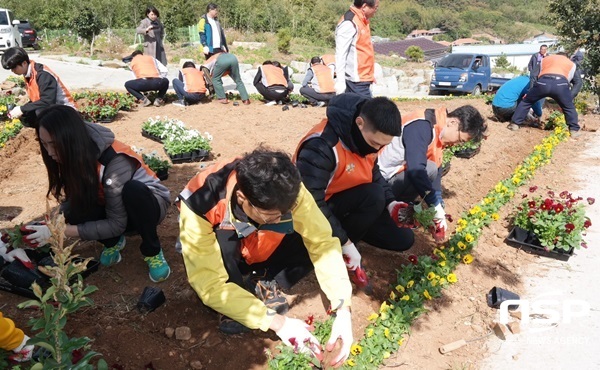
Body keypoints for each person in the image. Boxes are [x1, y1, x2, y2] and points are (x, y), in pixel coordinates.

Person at [178, 148, 353, 366]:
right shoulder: (200, 200)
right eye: (272, 215)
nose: (281, 218)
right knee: (224, 238)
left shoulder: (288, 189)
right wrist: (279, 323)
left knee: (306, 229)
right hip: (227, 249)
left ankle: (262, 278)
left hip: (262, 246)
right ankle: (237, 296)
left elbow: (322, 242)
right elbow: (209, 284)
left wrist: (342, 308)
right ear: (242, 197)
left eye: (285, 212)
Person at [23, 105, 171, 282]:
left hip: (147, 205)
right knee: (75, 208)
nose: (50, 152)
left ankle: (152, 250)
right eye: (44, 144)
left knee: (133, 191)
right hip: (111, 204)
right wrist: (53, 220)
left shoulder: (115, 161)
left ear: (70, 139)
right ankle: (112, 242)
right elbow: (73, 199)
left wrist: (62, 230)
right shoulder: (71, 154)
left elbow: (117, 223)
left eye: (54, 145)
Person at [294, 94, 414, 287]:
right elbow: (309, 201)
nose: (378, 149)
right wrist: (344, 242)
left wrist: (392, 203)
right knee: (373, 195)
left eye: (384, 145)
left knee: (403, 239)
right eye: (376, 144)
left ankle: (352, 237)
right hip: (313, 211)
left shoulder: (366, 143)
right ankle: (339, 248)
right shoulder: (321, 146)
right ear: (359, 123)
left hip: (348, 204)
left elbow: (374, 174)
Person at [378, 105, 487, 241]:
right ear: (453, 123)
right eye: (460, 139)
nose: (456, 144)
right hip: (378, 181)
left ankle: (396, 211)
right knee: (426, 170)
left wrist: (439, 207)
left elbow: (436, 177)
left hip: (394, 177)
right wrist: (434, 206)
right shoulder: (421, 126)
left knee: (405, 240)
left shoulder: (438, 129)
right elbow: (416, 171)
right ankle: (384, 212)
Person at [509, 52, 583, 137]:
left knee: (526, 102)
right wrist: (570, 97)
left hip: (543, 83)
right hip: (560, 85)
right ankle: (574, 130)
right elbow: (578, 82)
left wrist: (531, 90)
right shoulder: (571, 63)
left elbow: (533, 74)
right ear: (567, 57)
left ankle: (514, 124)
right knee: (569, 108)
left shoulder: (545, 60)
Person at [0, 47, 75, 127]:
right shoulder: (29, 73)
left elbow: (47, 101)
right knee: (27, 115)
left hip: (68, 113)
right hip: (53, 109)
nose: (13, 71)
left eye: (14, 67)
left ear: (24, 63)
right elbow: (36, 99)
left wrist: (22, 109)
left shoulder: (43, 75)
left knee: (38, 112)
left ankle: (57, 135)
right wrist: (21, 110)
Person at [334, 0, 379, 98]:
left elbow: (363, 50)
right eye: (375, 7)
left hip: (362, 79)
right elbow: (341, 53)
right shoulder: (349, 23)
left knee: (358, 112)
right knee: (368, 112)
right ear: (364, 6)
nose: (376, 10)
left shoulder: (363, 20)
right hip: (356, 82)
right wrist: (340, 82)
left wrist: (370, 75)